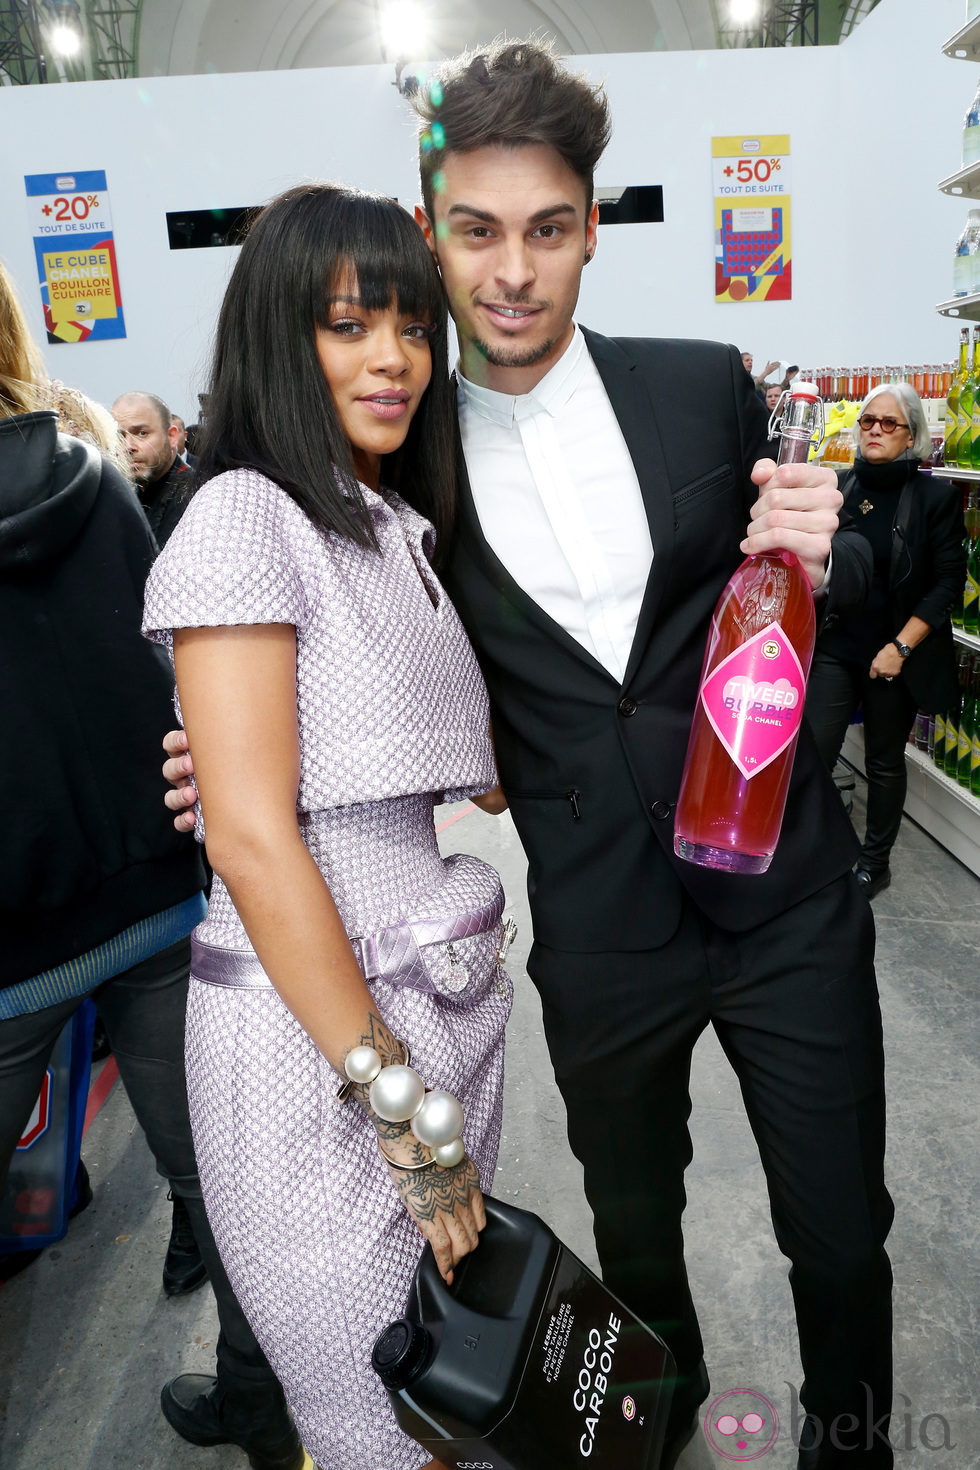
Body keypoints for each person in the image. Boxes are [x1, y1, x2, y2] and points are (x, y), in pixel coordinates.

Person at [164, 43, 889, 1470]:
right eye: (478, 231)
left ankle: (853, 1439)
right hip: (600, 927)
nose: (511, 272)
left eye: (547, 229)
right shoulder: (399, 451)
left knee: (840, 1226)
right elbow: (349, 638)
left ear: (590, 231)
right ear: (430, 230)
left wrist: (839, 550)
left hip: (788, 895)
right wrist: (239, 758)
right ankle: (657, 1414)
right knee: (632, 1231)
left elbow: (812, 586)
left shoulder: (702, 387)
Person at [143, 184, 512, 1470]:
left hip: (422, 1027)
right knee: (371, 1420)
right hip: (318, 1063)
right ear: (277, 339)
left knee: (443, 1403)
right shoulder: (246, 513)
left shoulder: (394, 524)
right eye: (350, 326)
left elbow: (464, 765)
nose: (394, 358)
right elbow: (250, 840)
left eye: (411, 327)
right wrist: (405, 1116)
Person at [0, 259, 302, 1470]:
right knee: (216, 1179)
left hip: (13, 932)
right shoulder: (98, 471)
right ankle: (263, 1409)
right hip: (153, 893)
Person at [804, 384, 965, 899]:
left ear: (912, 434)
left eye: (889, 423)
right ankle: (811, 854)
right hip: (837, 645)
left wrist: (900, 647)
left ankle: (875, 862)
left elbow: (948, 583)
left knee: (882, 762)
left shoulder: (935, 497)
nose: (874, 429)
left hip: (893, 654)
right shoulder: (839, 487)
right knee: (811, 755)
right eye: (868, 421)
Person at [112, 389, 190, 545]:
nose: (128, 446)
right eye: (120, 436)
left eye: (142, 433)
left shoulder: (194, 496)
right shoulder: (124, 494)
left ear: (172, 437)